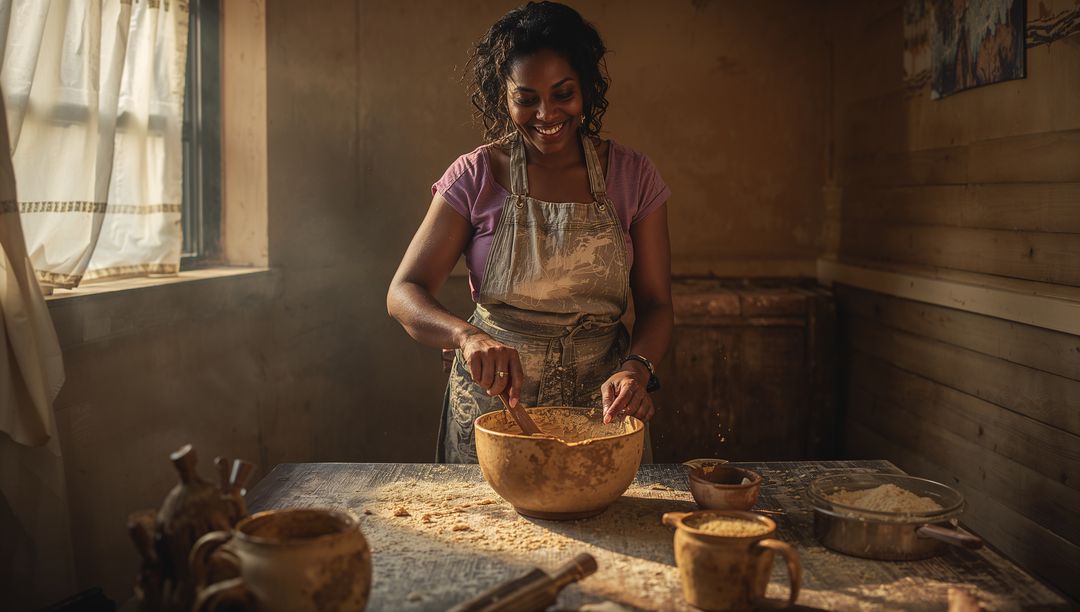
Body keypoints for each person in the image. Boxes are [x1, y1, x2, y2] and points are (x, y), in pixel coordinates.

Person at [387, 1, 673, 463]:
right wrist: (466, 337)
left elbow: (658, 305)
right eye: (527, 99)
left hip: (603, 407)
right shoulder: (475, 175)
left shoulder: (632, 176)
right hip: (495, 403)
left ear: (586, 89)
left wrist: (636, 370)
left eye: (563, 93)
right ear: (503, 96)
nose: (547, 113)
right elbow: (404, 292)